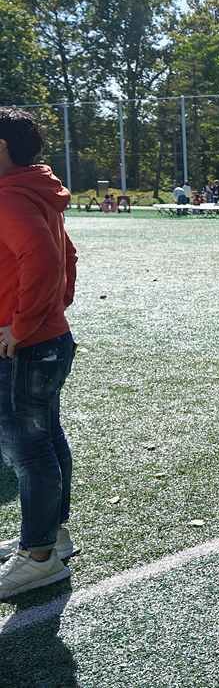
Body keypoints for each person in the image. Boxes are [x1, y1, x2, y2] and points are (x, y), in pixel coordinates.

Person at [0, 108, 80, 599]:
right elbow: (66, 254)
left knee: (29, 449)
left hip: (27, 345)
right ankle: (52, 536)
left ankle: (39, 556)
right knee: (46, 437)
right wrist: (52, 309)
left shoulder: (9, 196)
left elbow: (50, 258)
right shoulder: (35, 189)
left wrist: (24, 323)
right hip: (46, 339)